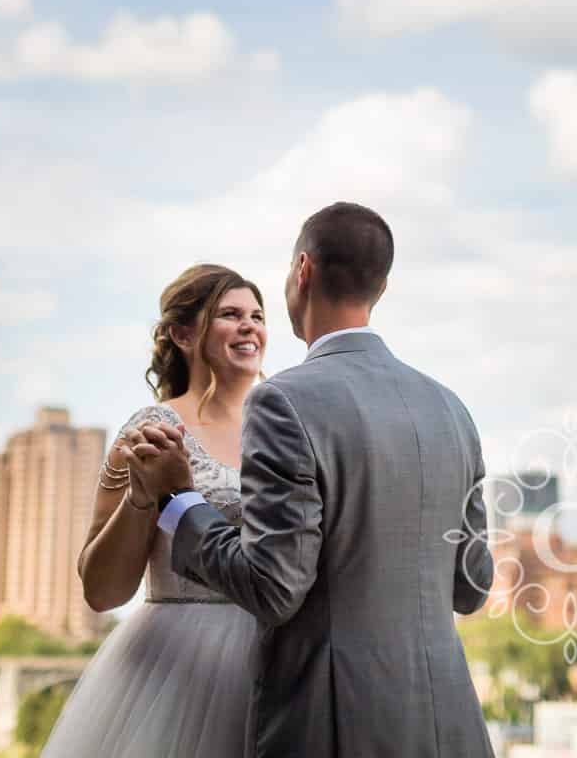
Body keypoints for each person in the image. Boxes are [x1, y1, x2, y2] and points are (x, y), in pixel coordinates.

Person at [122, 201, 496, 758]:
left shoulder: (283, 401)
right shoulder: (450, 409)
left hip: (333, 726)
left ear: (303, 271)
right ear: (382, 287)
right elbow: (472, 585)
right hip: (450, 726)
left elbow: (273, 588)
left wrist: (179, 500)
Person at [39, 263, 267, 758]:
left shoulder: (290, 427)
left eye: (257, 314)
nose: (251, 325)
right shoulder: (150, 430)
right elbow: (102, 592)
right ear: (183, 335)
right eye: (230, 314)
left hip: (279, 661)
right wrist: (144, 496)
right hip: (174, 665)